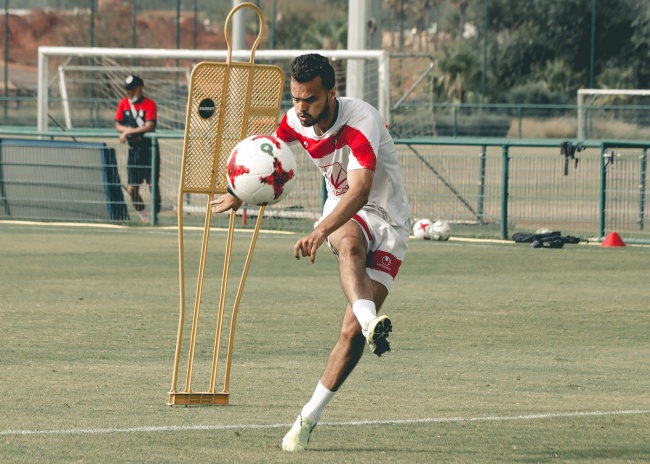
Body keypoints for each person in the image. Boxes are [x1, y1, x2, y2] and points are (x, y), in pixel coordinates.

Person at [210, 53, 410, 452]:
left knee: (349, 334)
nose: (301, 109)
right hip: (345, 216)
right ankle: (372, 321)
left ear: (331, 93)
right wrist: (239, 191)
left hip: (388, 221)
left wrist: (320, 232)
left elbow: (361, 191)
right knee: (350, 241)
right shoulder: (293, 119)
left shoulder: (361, 122)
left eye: (311, 100)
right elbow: (268, 157)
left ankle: (308, 417)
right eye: (297, 98)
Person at [115, 74, 161, 223]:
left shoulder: (149, 104)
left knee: (152, 185)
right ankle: (144, 217)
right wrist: (126, 130)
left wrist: (128, 131)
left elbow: (149, 125)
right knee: (131, 189)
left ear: (139, 89)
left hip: (149, 151)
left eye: (131, 90)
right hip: (133, 151)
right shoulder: (123, 104)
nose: (128, 93)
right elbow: (118, 125)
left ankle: (156, 215)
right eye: (126, 90)